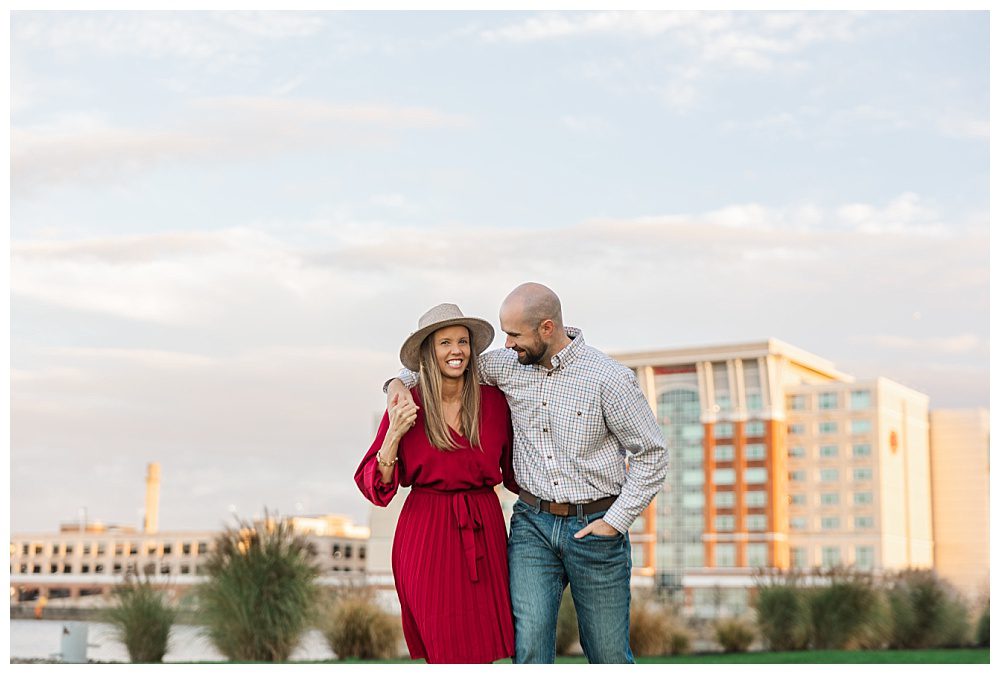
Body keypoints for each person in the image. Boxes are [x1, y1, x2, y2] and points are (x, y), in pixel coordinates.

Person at [386, 282, 669, 664]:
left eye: (514, 334)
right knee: (530, 648)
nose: (506, 345)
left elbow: (652, 453)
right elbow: (441, 365)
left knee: (608, 653)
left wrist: (615, 521)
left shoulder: (609, 379)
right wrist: (394, 386)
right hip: (531, 526)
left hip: (596, 526)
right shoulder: (508, 365)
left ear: (547, 329)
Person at [355, 303, 520, 664]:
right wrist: (393, 435)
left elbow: (515, 471)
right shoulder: (406, 404)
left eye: (462, 341)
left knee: (482, 646)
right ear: (429, 350)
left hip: (483, 527)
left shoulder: (494, 402)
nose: (456, 350)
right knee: (443, 645)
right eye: (445, 342)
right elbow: (379, 488)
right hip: (426, 532)